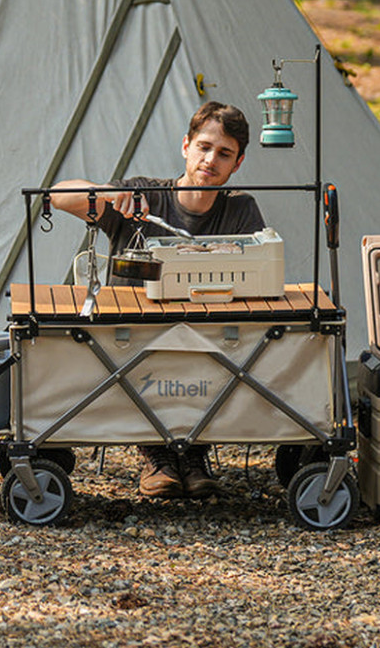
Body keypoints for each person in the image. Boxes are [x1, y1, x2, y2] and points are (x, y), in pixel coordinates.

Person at [51, 101, 265, 500]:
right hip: (134, 336)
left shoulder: (241, 209)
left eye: (224, 153)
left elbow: (258, 269)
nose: (210, 160)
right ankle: (157, 454)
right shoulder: (143, 196)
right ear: (185, 146)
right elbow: (59, 197)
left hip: (206, 336)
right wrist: (113, 195)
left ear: (237, 164)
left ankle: (194, 455)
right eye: (203, 147)